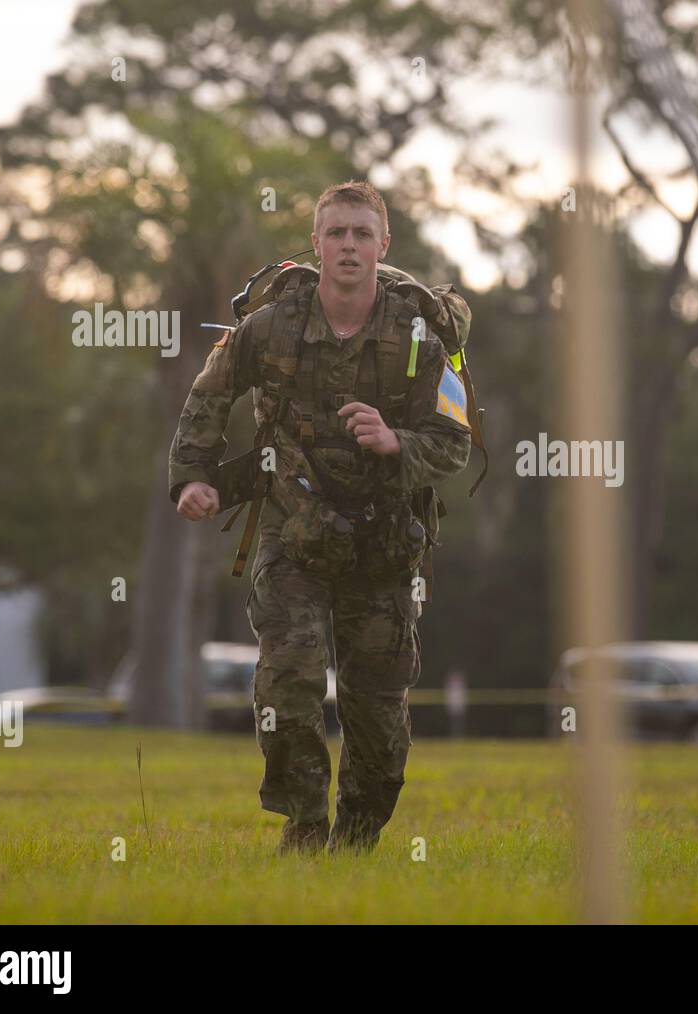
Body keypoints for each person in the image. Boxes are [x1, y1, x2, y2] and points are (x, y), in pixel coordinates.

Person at [168, 181, 471, 855]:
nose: (349, 246)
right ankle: (303, 830)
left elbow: (454, 441)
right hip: (293, 531)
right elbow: (208, 398)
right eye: (336, 233)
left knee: (377, 710)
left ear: (383, 245)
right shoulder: (270, 327)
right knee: (289, 680)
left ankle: (356, 841)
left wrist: (397, 441)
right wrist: (193, 477)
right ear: (317, 243)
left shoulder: (418, 336)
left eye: (363, 234)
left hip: (384, 541)